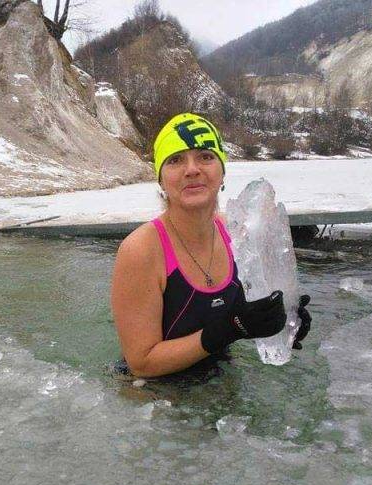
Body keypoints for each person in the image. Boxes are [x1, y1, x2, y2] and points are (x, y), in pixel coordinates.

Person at [111, 113, 311, 378]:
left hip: (221, 381)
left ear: (222, 171)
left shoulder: (236, 233)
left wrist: (283, 320)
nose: (192, 169)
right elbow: (141, 363)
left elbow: (249, 312)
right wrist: (231, 329)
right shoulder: (141, 250)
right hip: (153, 399)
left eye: (205, 156)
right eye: (175, 160)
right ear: (161, 179)